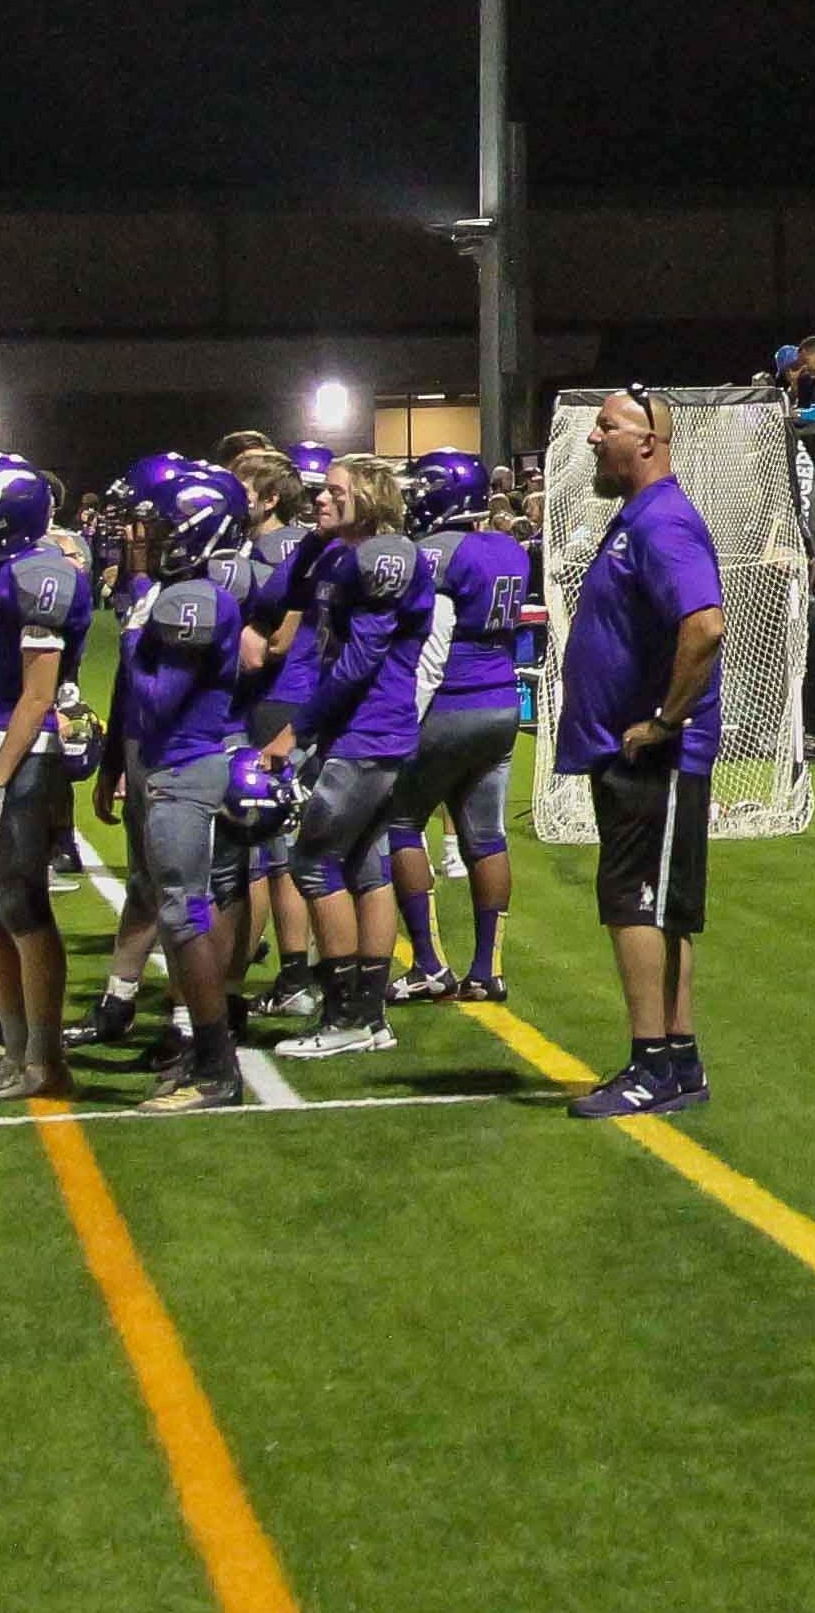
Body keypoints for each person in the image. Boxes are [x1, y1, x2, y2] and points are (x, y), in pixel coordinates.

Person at [556, 389, 731, 1114]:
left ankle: (652, 1065)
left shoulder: (662, 521)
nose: (592, 438)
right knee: (661, 908)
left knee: (638, 904)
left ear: (649, 442)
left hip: (651, 758)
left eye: (607, 426)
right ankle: (676, 1060)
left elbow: (706, 625)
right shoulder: (637, 520)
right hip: (630, 753)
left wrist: (662, 721)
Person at [95, 464, 267, 1112]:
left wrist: (134, 626)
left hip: (183, 772)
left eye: (155, 522)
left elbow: (157, 700)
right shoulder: (178, 591)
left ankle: (216, 1067)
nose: (139, 534)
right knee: (175, 910)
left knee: (183, 913)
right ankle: (202, 1054)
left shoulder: (191, 598)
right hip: (168, 769)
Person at [257, 455, 434, 1062]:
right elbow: (274, 595)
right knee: (362, 864)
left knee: (312, 860)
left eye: (334, 493)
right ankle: (369, 1014)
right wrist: (312, 541)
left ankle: (346, 1015)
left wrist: (297, 731)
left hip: (369, 730)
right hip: (362, 732)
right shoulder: (338, 553)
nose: (320, 501)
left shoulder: (387, 555)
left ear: (371, 497)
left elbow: (360, 662)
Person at [0, 454, 97, 1102]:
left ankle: (45, 1060)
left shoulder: (40, 572)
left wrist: (0, 775)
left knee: (20, 906)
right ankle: (13, 1049)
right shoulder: (0, 570)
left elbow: (37, 694)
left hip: (23, 754)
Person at [385, 449, 536, 1006]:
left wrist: (405, 717)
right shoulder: (509, 548)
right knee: (487, 837)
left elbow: (430, 644)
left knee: (400, 824)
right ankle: (487, 968)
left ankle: (428, 962)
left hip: (447, 700)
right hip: (501, 703)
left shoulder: (430, 555)